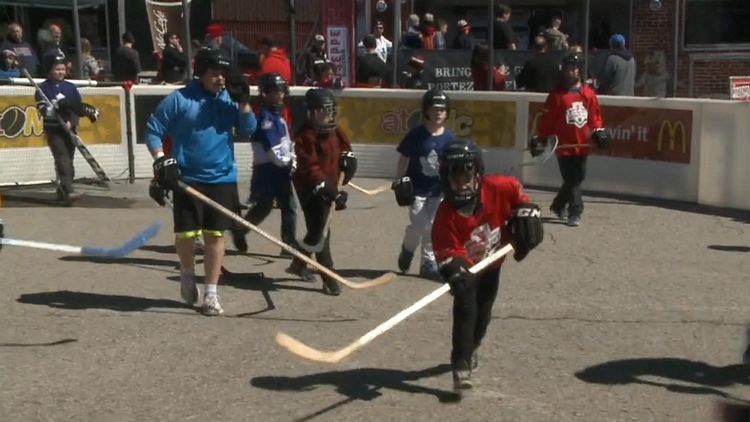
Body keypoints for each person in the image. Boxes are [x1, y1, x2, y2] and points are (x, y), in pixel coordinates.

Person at [145, 48, 258, 316]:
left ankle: (211, 293)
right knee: (185, 235)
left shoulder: (228, 100)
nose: (220, 79)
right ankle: (187, 273)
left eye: (223, 74)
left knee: (215, 236)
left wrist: (244, 102)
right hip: (187, 178)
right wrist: (161, 160)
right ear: (200, 73)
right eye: (214, 73)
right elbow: (153, 130)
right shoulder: (180, 99)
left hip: (221, 177)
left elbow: (248, 130)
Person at [432, 138, 544, 391]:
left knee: (483, 316)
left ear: (478, 174)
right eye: (455, 179)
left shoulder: (501, 187)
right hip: (469, 272)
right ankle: (460, 364)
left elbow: (520, 199)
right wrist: (456, 269)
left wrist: (527, 210)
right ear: (445, 178)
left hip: (492, 266)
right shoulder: (445, 216)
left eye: (467, 178)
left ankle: (473, 348)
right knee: (465, 313)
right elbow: (448, 250)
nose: (462, 184)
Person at [286, 88, 357, 296]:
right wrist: (331, 192)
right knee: (321, 233)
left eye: (332, 111)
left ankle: (298, 263)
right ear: (311, 113)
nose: (330, 116)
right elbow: (310, 170)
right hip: (309, 188)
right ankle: (329, 277)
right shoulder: (304, 137)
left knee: (317, 230)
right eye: (325, 112)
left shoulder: (335, 130)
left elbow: (345, 148)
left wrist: (349, 161)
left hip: (330, 184)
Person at [535, 53, 610, 227]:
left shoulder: (588, 94)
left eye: (574, 69)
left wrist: (599, 130)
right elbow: (547, 121)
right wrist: (542, 138)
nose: (570, 72)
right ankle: (575, 211)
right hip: (563, 145)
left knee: (576, 178)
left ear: (579, 71)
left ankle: (558, 205)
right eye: (567, 69)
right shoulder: (556, 96)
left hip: (582, 144)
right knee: (573, 179)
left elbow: (594, 117)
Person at [231, 73, 297, 256]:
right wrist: (288, 162)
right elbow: (272, 148)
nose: (279, 95)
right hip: (269, 169)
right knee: (264, 206)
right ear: (265, 94)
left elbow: (285, 141)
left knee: (288, 205)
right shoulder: (264, 118)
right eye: (274, 92)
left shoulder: (278, 115)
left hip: (278, 167)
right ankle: (241, 230)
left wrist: (291, 155)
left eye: (281, 91)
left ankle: (288, 243)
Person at [393, 89, 455, 279]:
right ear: (426, 111)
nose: (438, 113)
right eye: (434, 109)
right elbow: (404, 159)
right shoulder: (416, 135)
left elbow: (454, 165)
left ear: (447, 113)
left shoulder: (450, 138)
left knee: (433, 226)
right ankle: (408, 249)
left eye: (442, 110)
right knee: (419, 225)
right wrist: (399, 181)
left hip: (438, 190)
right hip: (417, 189)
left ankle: (428, 264)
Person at [36, 54, 99, 206]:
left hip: (70, 129)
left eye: (63, 69)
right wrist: (54, 109)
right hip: (53, 129)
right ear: (50, 70)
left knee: (69, 160)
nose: (60, 72)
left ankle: (62, 189)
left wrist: (72, 121)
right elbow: (43, 110)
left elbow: (77, 107)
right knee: (62, 158)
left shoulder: (70, 88)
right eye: (57, 69)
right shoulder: (43, 89)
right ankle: (69, 190)